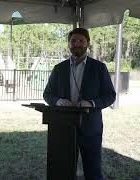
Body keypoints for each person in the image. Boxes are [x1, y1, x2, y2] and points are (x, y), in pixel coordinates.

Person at [43, 28, 116, 180]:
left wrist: (91, 103)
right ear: (68, 44)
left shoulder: (99, 68)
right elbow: (47, 94)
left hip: (91, 129)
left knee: (93, 171)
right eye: (73, 41)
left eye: (81, 40)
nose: (77, 44)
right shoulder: (59, 69)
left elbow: (110, 96)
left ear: (87, 43)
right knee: (64, 170)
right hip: (64, 128)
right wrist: (57, 101)